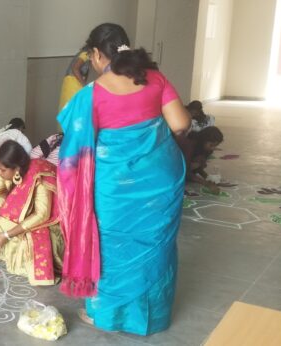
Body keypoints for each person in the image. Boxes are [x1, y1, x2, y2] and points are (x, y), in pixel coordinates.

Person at [56, 23, 190, 335]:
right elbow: (181, 124)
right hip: (160, 181)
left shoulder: (92, 94)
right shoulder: (154, 77)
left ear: (96, 55)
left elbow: (73, 144)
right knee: (157, 248)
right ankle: (153, 317)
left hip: (114, 187)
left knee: (113, 249)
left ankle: (107, 316)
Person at [0, 140, 64, 286]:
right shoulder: (8, 171)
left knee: (32, 242)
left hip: (45, 223)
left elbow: (42, 215)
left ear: (16, 169)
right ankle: (2, 249)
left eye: (2, 169)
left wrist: (8, 234)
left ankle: (8, 243)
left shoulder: (39, 176)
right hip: (20, 215)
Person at [181, 126, 224, 194]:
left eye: (215, 146)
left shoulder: (205, 149)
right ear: (203, 140)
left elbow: (198, 167)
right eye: (211, 145)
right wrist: (206, 184)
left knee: (200, 160)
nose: (213, 148)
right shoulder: (189, 145)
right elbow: (184, 171)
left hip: (187, 168)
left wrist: (207, 177)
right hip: (175, 168)